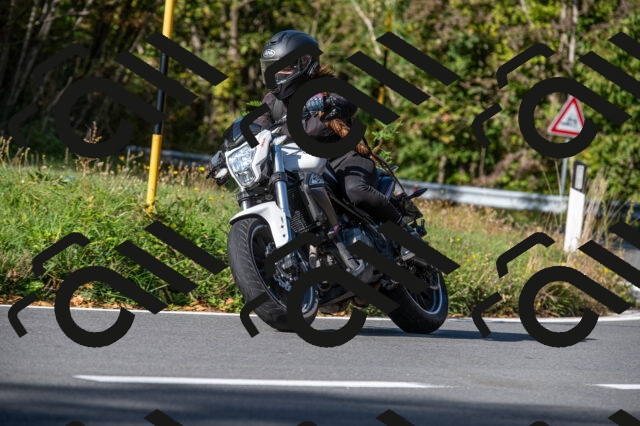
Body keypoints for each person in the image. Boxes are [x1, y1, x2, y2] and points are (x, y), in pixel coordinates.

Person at [253, 29, 419, 260]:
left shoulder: (326, 85)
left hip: (343, 159)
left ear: (305, 63)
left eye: (284, 68)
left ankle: (405, 234)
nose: (277, 74)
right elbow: (256, 125)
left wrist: (329, 101)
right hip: (297, 165)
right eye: (272, 68)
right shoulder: (272, 100)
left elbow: (349, 101)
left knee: (356, 190)